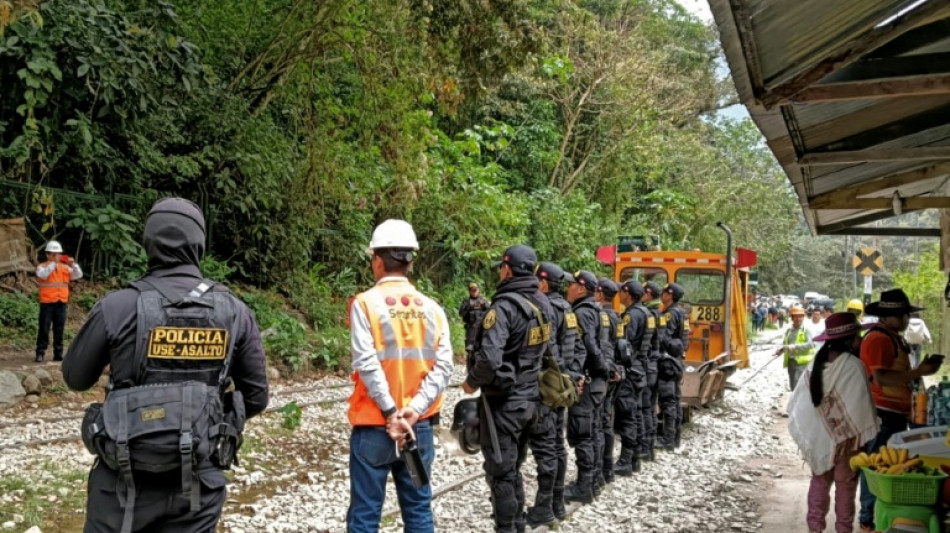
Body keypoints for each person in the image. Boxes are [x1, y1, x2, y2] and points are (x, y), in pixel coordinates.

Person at [63, 198, 269, 533]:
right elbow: (257, 397)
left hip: (121, 485)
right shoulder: (235, 312)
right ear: (199, 245)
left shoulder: (116, 306)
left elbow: (75, 377)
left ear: (148, 243)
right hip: (198, 485)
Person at [347, 219, 454, 533]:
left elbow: (367, 363)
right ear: (410, 262)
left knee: (365, 517)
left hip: (375, 430)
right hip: (417, 430)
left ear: (377, 261)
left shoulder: (365, 304)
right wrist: (414, 410)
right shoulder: (434, 309)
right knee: (419, 512)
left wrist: (392, 413)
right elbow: (444, 367)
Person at [463, 245, 552, 533]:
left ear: (507, 269)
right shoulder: (544, 302)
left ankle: (507, 527)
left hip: (505, 404)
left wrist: (471, 382)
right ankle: (518, 524)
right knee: (514, 465)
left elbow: (489, 358)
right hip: (532, 400)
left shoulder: (503, 307)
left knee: (500, 471)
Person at [857, 289, 943, 532]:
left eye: (906, 314)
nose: (906, 320)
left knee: (883, 465)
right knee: (877, 468)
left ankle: (871, 516)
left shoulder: (893, 337)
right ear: (886, 316)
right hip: (882, 412)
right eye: (901, 315)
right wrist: (919, 373)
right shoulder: (878, 339)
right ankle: (868, 518)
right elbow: (881, 378)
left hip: (894, 411)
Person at [787, 313, 878, 533]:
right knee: (846, 488)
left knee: (819, 482)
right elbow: (863, 408)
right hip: (849, 442)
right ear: (848, 340)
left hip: (820, 440)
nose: (860, 340)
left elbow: (800, 404)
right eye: (857, 336)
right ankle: (843, 530)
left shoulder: (815, 365)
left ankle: (814, 528)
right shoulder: (854, 366)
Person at [526, 261, 572, 527]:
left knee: (546, 447)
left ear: (543, 283)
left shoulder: (546, 307)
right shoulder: (567, 308)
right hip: (562, 383)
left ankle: (545, 507)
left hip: (548, 384)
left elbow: (547, 350)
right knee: (557, 445)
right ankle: (557, 504)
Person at [562, 270, 610, 504]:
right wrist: (606, 368)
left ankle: (584, 486)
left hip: (589, 381)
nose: (567, 288)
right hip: (599, 381)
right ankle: (594, 479)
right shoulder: (599, 312)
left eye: (570, 284)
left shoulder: (581, 313)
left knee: (583, 434)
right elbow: (606, 345)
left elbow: (588, 346)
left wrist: (583, 374)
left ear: (581, 289)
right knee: (595, 431)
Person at [614, 280, 652, 475]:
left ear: (627, 293)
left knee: (627, 415)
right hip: (641, 369)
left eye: (621, 291)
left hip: (631, 371)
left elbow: (624, 345)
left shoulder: (631, 315)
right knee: (636, 414)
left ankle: (625, 461)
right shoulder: (646, 313)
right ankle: (635, 458)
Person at [35, 240, 82, 362]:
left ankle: (58, 354)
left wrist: (73, 265)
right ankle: (40, 352)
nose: (57, 256)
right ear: (48, 255)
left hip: (61, 302)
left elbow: (78, 275)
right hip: (47, 302)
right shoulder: (42, 267)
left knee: (59, 329)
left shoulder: (65, 267)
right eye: (54, 254)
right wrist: (53, 264)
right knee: (44, 328)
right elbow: (44, 275)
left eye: (58, 254)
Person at [595, 278, 622, 489]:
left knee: (600, 422)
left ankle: (600, 472)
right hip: (614, 370)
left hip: (604, 371)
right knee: (606, 422)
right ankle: (608, 470)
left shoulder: (601, 316)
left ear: (600, 293)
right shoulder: (616, 317)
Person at [656, 283, 688, 450]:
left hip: (667, 362)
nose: (661, 295)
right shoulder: (682, 313)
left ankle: (667, 439)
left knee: (668, 401)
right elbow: (685, 341)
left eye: (664, 292)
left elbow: (663, 339)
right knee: (675, 400)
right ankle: (675, 437)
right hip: (677, 362)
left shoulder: (669, 314)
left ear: (670, 295)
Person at [640, 281, 663, 461]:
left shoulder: (648, 314)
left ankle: (645, 448)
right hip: (655, 365)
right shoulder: (659, 313)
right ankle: (649, 446)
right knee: (650, 407)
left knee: (645, 407)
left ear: (648, 294)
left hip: (648, 366)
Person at [777, 306, 815, 391]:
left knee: (798, 385)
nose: (799, 319)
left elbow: (811, 344)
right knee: (792, 385)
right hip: (791, 362)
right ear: (792, 318)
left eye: (801, 316)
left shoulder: (806, 330)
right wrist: (781, 350)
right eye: (796, 316)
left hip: (802, 363)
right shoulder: (789, 331)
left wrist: (795, 346)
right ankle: (795, 402)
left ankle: (798, 403)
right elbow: (786, 343)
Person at [459, 282, 490, 356]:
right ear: (469, 291)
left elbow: (491, 311)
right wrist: (468, 307)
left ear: (478, 290)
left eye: (475, 290)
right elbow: (461, 313)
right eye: (472, 290)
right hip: (471, 328)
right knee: (470, 349)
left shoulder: (484, 301)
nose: (474, 292)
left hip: (483, 328)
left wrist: (485, 306)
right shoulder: (466, 302)